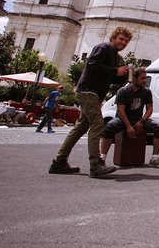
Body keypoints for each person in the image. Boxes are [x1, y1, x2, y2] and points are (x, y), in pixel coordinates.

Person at [48, 25, 132, 177]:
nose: (123, 42)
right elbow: (93, 65)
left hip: (94, 93)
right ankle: (95, 164)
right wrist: (115, 71)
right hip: (88, 91)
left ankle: (59, 161)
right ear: (113, 38)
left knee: (80, 128)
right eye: (121, 39)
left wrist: (122, 75)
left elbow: (109, 78)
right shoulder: (103, 47)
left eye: (126, 41)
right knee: (97, 124)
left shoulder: (115, 56)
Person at [99, 67, 159, 167]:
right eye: (142, 78)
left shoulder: (146, 91)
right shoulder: (123, 91)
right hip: (123, 119)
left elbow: (149, 109)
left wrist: (142, 121)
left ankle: (154, 158)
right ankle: (102, 158)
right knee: (109, 127)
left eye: (145, 78)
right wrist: (129, 127)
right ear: (135, 78)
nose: (145, 81)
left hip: (138, 119)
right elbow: (120, 110)